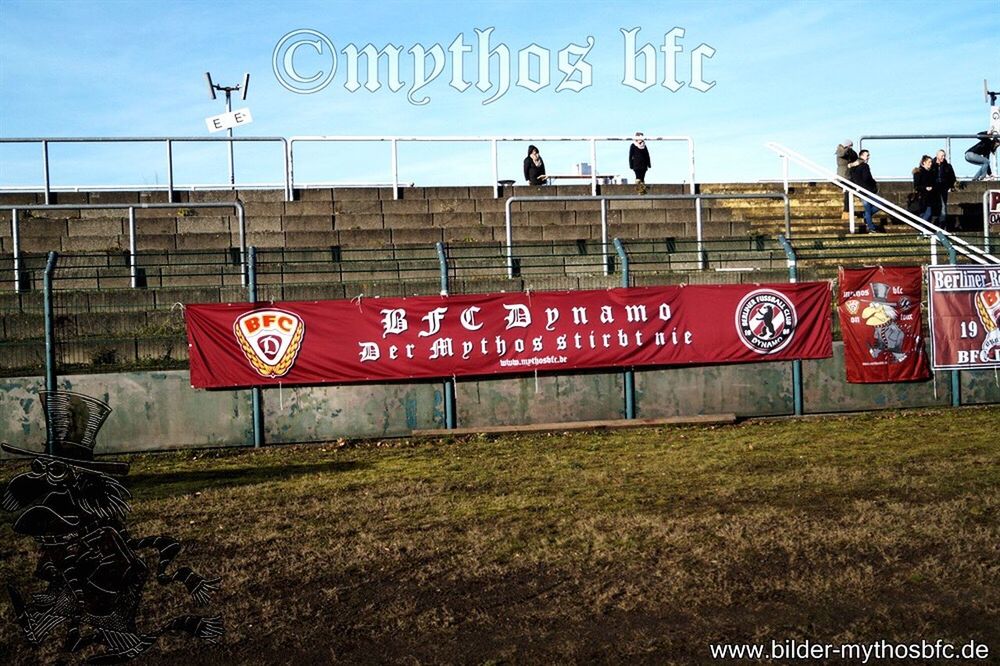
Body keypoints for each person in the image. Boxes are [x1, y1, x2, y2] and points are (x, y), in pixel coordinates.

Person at [849, 149, 880, 233]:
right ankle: (870, 226)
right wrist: (874, 183)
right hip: (867, 190)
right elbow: (867, 178)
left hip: (860, 191)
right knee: (879, 205)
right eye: (867, 155)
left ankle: (867, 219)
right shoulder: (865, 166)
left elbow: (852, 180)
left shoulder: (853, 168)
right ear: (862, 156)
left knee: (868, 209)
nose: (869, 157)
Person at [931, 149, 957, 227]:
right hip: (933, 189)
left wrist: (949, 186)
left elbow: (952, 178)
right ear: (937, 156)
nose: (943, 157)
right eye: (942, 155)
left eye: (944, 156)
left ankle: (942, 225)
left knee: (943, 206)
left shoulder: (947, 166)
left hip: (943, 189)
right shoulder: (931, 165)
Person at [836, 139, 860, 217]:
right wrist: (848, 148)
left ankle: (848, 211)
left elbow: (856, 158)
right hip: (842, 175)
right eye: (850, 146)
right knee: (848, 192)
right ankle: (846, 212)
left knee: (850, 192)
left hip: (849, 175)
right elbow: (842, 154)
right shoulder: (840, 150)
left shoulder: (849, 152)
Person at [912, 155, 937, 222]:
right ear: (923, 163)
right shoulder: (918, 172)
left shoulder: (931, 173)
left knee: (927, 214)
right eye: (929, 162)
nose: (930, 163)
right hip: (922, 197)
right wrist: (925, 188)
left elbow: (934, 184)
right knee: (925, 214)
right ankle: (921, 228)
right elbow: (916, 186)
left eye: (931, 162)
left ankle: (922, 230)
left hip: (930, 198)